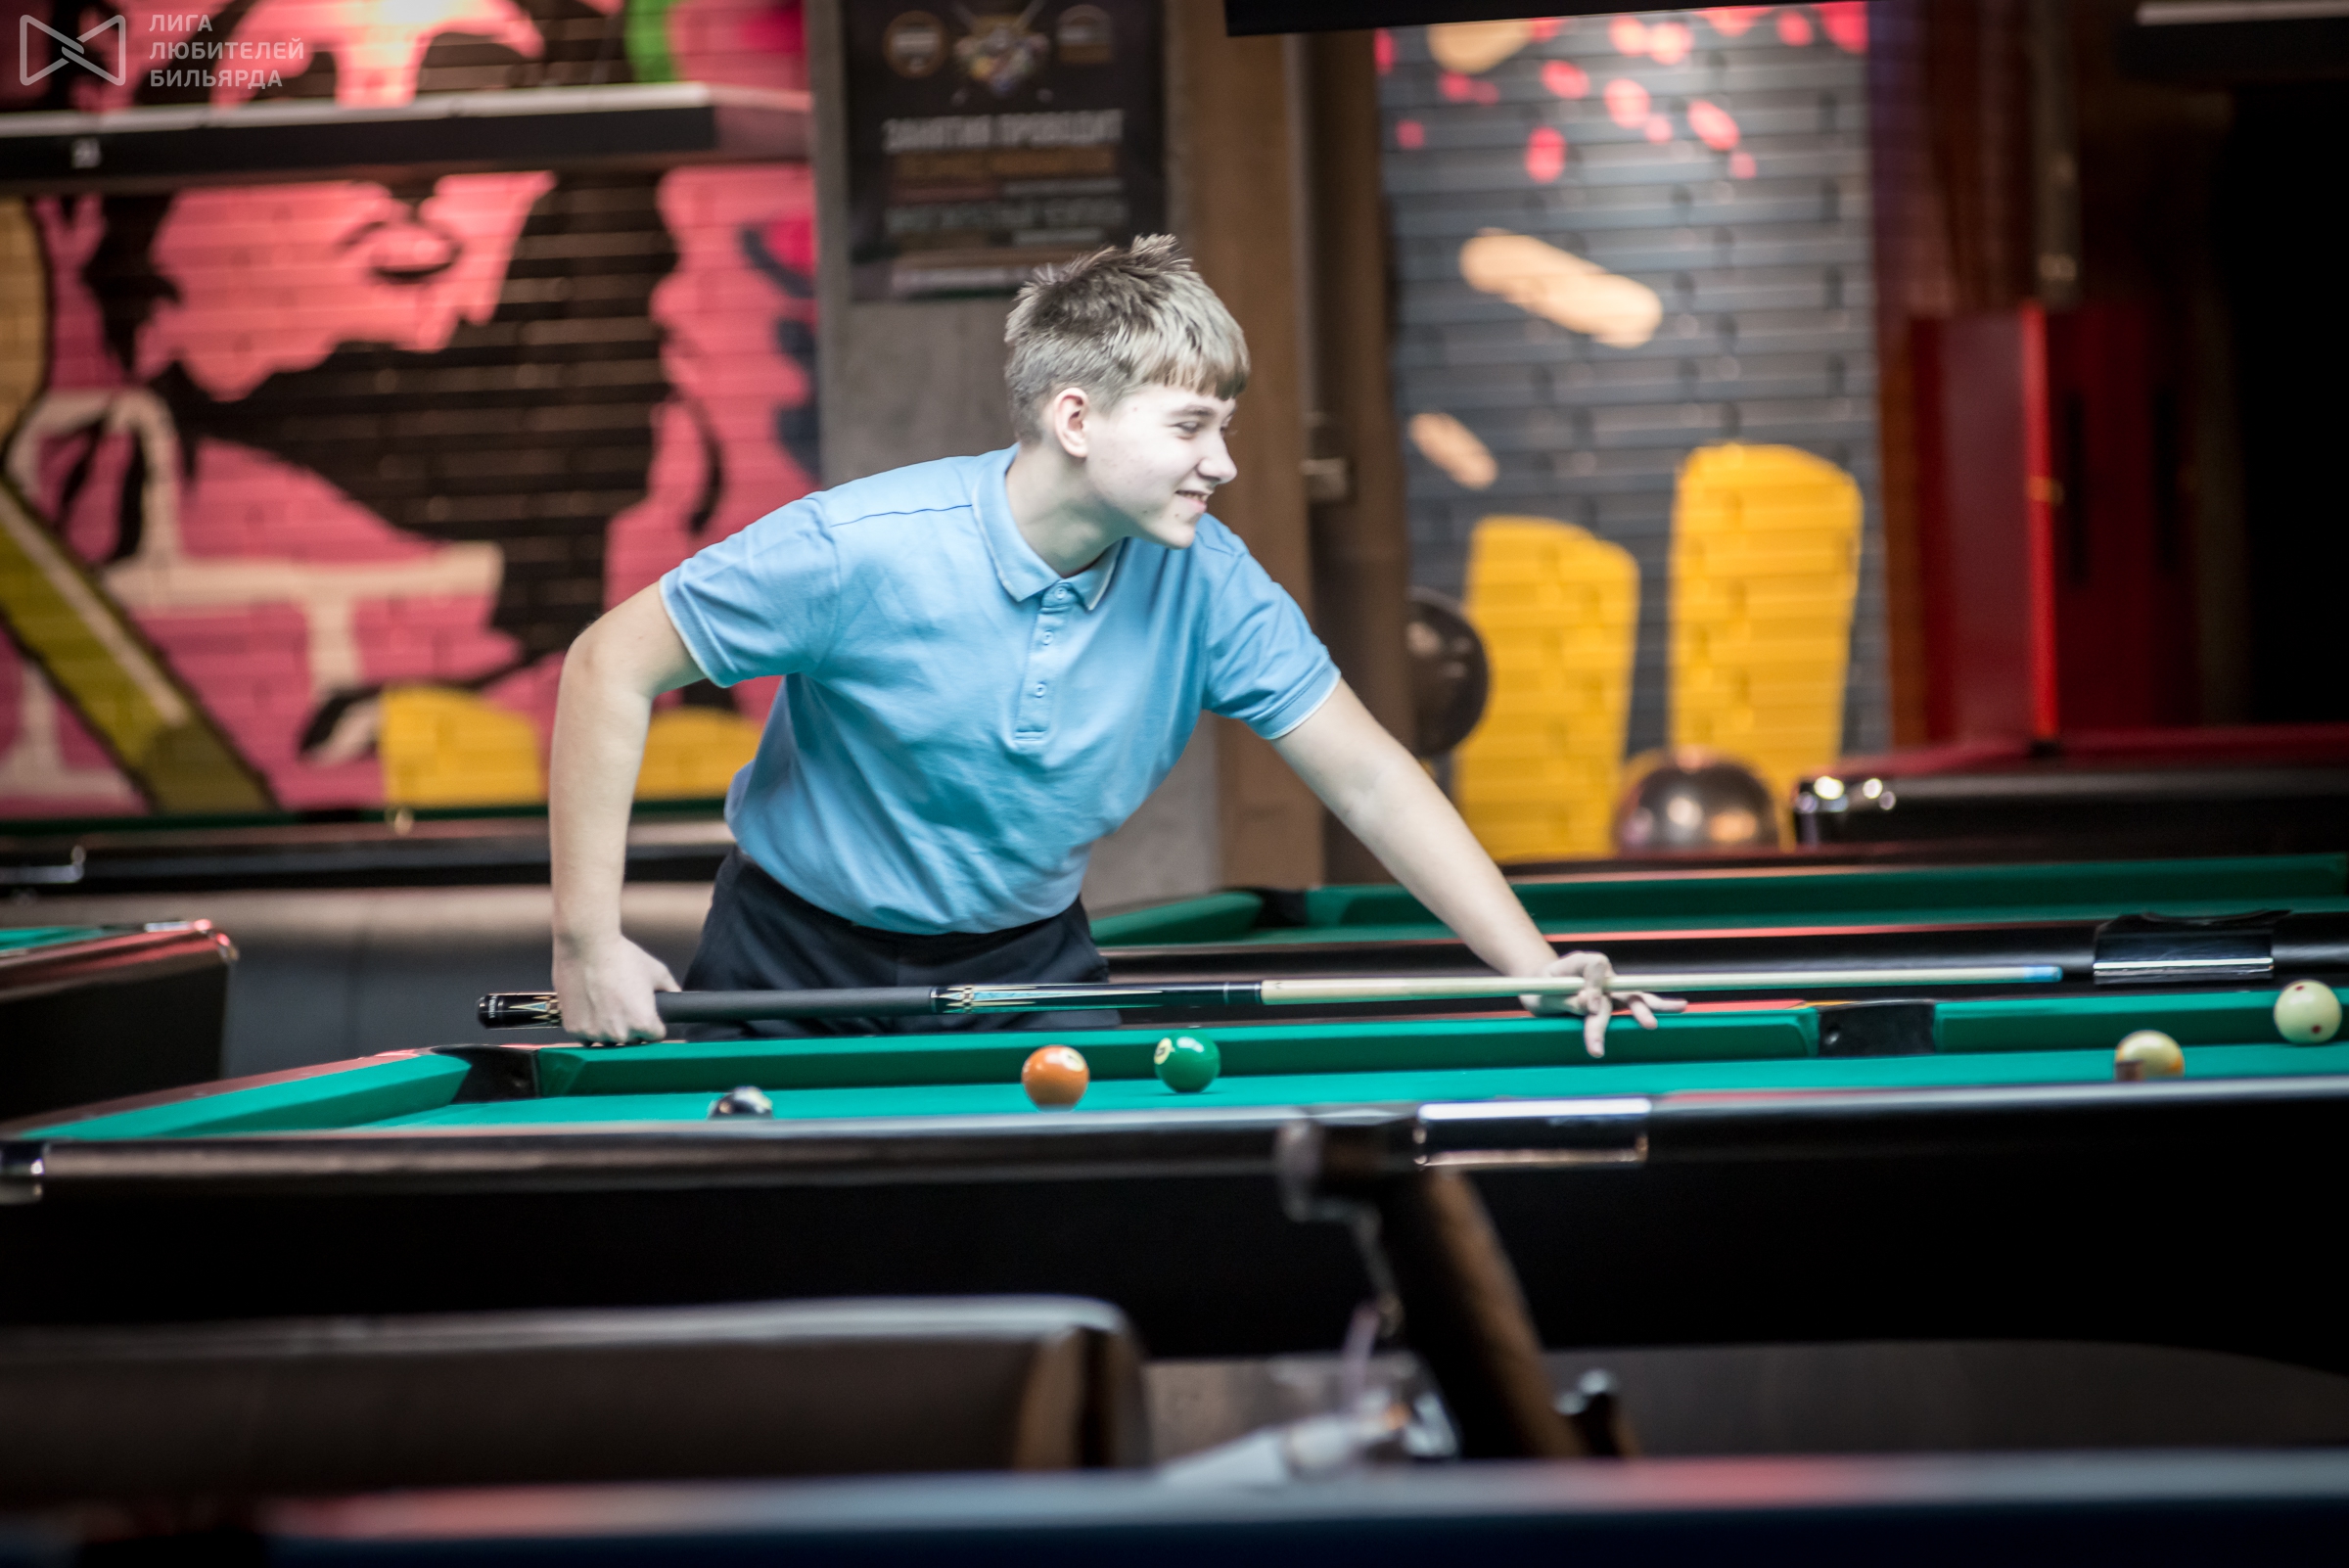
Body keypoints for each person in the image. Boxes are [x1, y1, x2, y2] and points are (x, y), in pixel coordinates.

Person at [548, 236, 1664, 1055]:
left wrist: (1532, 967)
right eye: (1191, 426)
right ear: (1076, 420)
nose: (1223, 462)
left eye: (1224, 426)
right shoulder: (860, 546)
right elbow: (610, 664)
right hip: (788, 960)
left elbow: (1370, 776)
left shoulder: (1210, 581)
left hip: (1023, 971)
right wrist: (587, 942)